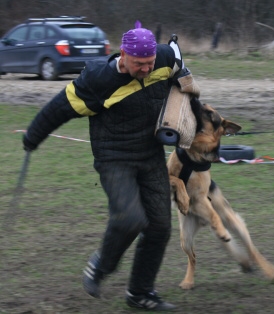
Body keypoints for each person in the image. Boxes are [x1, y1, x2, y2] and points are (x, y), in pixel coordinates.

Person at [22, 21, 191, 311]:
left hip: (150, 156)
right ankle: (100, 266)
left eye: (149, 63)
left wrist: (194, 117)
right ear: (122, 55)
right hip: (114, 159)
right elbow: (59, 108)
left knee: (160, 227)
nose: (146, 69)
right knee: (129, 219)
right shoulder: (97, 81)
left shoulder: (164, 59)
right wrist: (32, 138)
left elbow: (184, 79)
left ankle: (140, 293)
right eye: (139, 64)